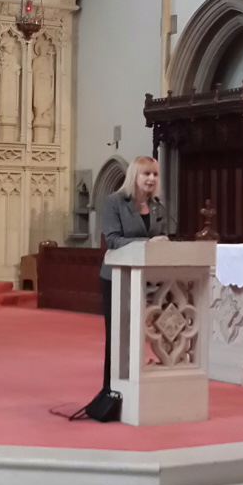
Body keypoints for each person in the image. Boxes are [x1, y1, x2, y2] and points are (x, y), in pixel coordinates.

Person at [99, 155, 168, 391]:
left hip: (149, 279)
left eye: (155, 174)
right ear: (134, 176)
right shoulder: (115, 202)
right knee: (118, 336)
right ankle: (111, 390)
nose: (151, 178)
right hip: (117, 278)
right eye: (146, 173)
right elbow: (113, 240)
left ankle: (140, 388)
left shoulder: (157, 205)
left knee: (144, 334)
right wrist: (147, 243)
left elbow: (161, 236)